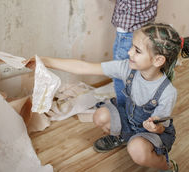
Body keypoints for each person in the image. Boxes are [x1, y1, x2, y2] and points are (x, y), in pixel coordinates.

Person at [25, 23, 189, 172]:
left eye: (137, 50)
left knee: (137, 150)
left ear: (158, 60)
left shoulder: (167, 92)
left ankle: (167, 166)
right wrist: (44, 61)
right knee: (100, 116)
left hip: (152, 132)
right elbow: (84, 67)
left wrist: (155, 128)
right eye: (132, 46)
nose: (129, 52)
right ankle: (123, 137)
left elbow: (161, 127)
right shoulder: (127, 68)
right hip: (130, 120)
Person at [85, 0, 163, 150]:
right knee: (137, 81)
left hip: (127, 39)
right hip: (145, 37)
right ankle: (133, 114)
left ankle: (124, 131)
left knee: (122, 83)